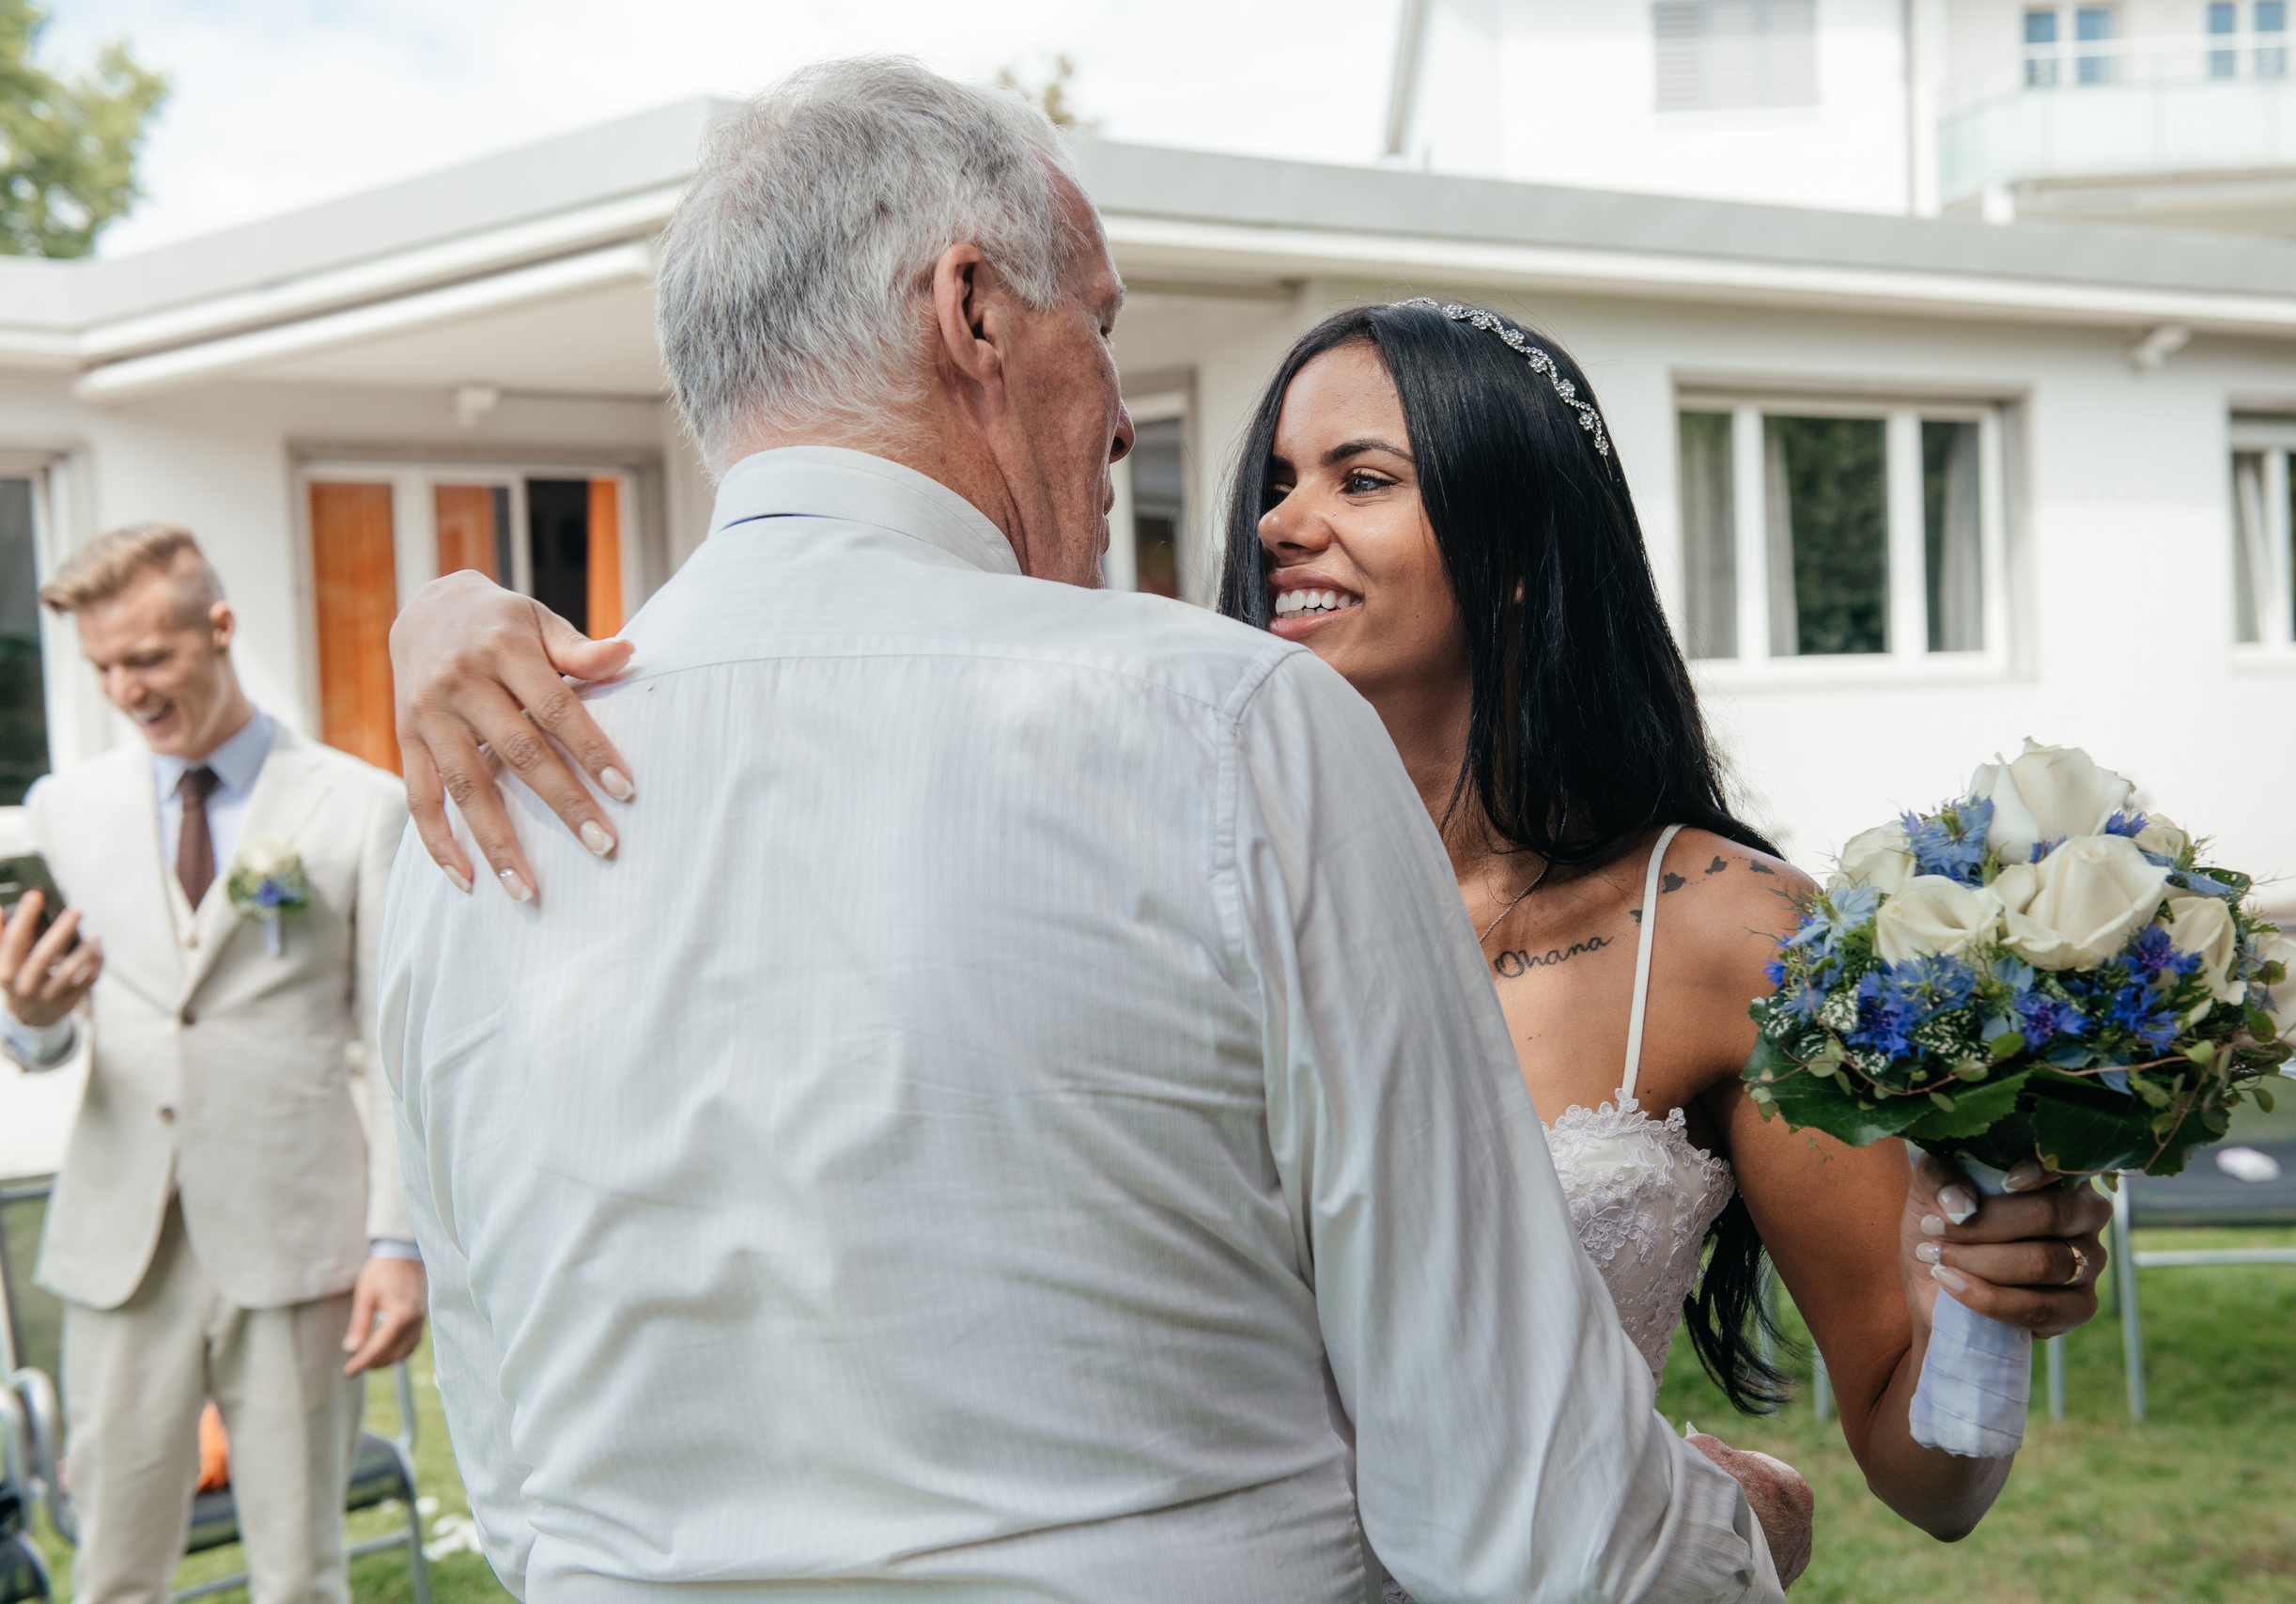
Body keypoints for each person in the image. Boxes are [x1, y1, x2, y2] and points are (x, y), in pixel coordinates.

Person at [380, 59, 1798, 1603]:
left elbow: (512, 1480)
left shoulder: (459, 821)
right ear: (973, 310)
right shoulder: (1235, 729)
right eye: (1104, 331)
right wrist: (1748, 1534)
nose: (1126, 421)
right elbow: (1530, 1517)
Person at [1216, 301, 2109, 1547]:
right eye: (1277, 483)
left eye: (1360, 478)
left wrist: (1981, 1299)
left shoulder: (1727, 933)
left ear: (1520, 546)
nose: (1278, 522)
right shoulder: (1200, 888)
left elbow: (1930, 1475)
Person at [0, 524, 424, 1604]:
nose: (126, 690)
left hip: (298, 1238)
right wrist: (30, 1020)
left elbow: (390, 1046)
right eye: (102, 668)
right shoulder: (64, 807)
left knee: (300, 1572)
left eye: (147, 659)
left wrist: (395, 1241)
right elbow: (48, 1034)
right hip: (120, 1246)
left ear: (221, 628)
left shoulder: (357, 803)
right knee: (114, 1571)